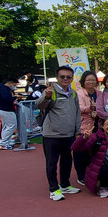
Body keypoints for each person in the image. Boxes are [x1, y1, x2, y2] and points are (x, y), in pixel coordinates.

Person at [36, 66, 81, 201]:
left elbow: (77, 113)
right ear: (57, 78)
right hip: (52, 135)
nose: (65, 79)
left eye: (68, 77)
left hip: (69, 135)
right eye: (62, 77)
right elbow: (39, 104)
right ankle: (53, 189)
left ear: (72, 78)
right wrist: (47, 97)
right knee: (52, 162)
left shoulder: (73, 93)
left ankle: (65, 184)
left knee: (67, 161)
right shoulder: (51, 91)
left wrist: (77, 130)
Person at [72, 116, 108, 198]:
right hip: (100, 168)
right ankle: (102, 187)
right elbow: (76, 148)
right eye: (107, 124)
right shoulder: (95, 137)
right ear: (102, 126)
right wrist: (84, 138)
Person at [75, 70, 101, 185]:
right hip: (83, 126)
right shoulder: (79, 93)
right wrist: (89, 108)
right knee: (81, 151)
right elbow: (78, 108)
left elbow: (103, 107)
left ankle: (92, 174)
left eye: (93, 79)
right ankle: (81, 176)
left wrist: (98, 112)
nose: (91, 82)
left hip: (97, 125)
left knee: (94, 151)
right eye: (88, 80)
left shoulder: (99, 93)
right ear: (83, 81)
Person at [0, 78, 18, 150]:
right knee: (11, 126)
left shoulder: (4, 89)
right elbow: (6, 99)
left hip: (4, 109)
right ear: (10, 83)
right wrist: (14, 98)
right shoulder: (4, 89)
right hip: (6, 110)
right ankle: (3, 143)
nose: (15, 86)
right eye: (14, 85)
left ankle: (5, 142)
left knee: (6, 126)